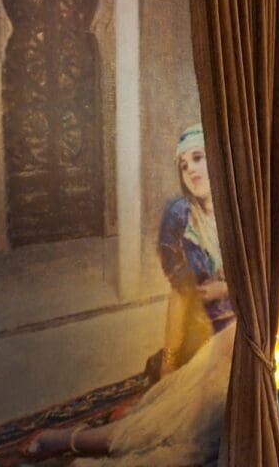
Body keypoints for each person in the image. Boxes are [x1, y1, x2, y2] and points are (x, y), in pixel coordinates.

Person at [22, 124, 235, 466]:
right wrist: (169, 367)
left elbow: (262, 286)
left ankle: (84, 438)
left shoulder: (241, 214)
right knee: (170, 409)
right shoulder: (180, 216)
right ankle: (87, 435)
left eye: (198, 158)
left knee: (190, 436)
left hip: (234, 341)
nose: (191, 170)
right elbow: (181, 295)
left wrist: (226, 288)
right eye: (184, 165)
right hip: (201, 338)